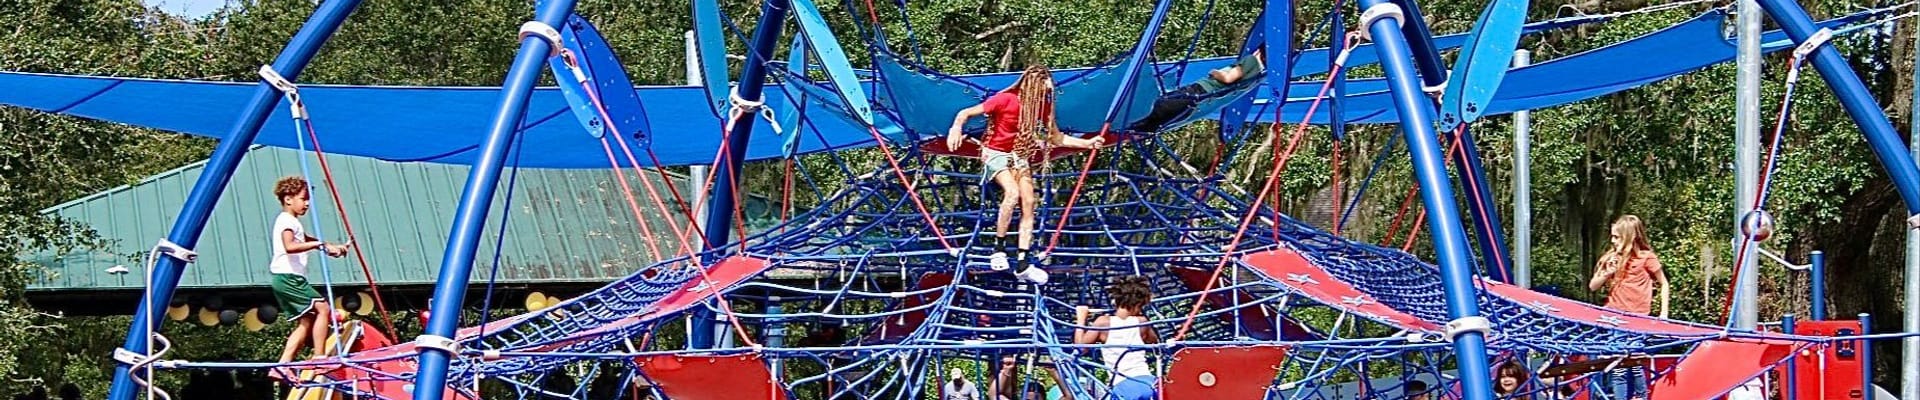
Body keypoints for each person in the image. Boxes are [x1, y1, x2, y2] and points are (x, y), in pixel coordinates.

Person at [946, 64, 1106, 274]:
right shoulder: (1005, 100)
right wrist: (956, 128)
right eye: (1042, 89)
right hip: (996, 153)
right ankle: (999, 249)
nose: (1045, 94)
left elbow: (1056, 138)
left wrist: (1087, 143)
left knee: (1029, 202)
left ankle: (1023, 261)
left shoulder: (1042, 109)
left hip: (1020, 156)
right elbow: (965, 113)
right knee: (1012, 193)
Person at [268, 176, 352, 369]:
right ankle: (320, 357)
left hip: (287, 278)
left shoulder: (292, 222)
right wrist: (319, 244)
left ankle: (282, 365)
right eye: (303, 198)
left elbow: (305, 239)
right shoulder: (286, 221)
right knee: (323, 309)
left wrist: (330, 247)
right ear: (288, 199)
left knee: (306, 321)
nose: (307, 204)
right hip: (289, 277)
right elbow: (290, 246)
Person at [1587, 215, 1667, 400]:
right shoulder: (1612, 258)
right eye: (1612, 237)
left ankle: (1641, 395)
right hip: (1615, 317)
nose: (1613, 241)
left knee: (1635, 361)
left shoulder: (1646, 257)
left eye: (1617, 237)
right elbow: (1593, 286)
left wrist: (1663, 313)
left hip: (1638, 318)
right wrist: (1607, 273)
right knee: (1619, 366)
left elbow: (1664, 283)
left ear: (1630, 237)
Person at [1125, 49, 1266, 133]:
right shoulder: (1258, 74)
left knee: (1157, 108)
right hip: (1201, 99)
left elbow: (1228, 78)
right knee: (1159, 120)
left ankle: (1125, 122)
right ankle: (1133, 128)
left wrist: (1215, 72)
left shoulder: (1252, 60)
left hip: (1199, 90)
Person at [1073, 275, 1158, 400]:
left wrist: (1081, 318)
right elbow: (1155, 342)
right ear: (1138, 304)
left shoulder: (1103, 322)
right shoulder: (1142, 322)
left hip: (1123, 384)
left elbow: (1080, 348)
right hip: (1148, 382)